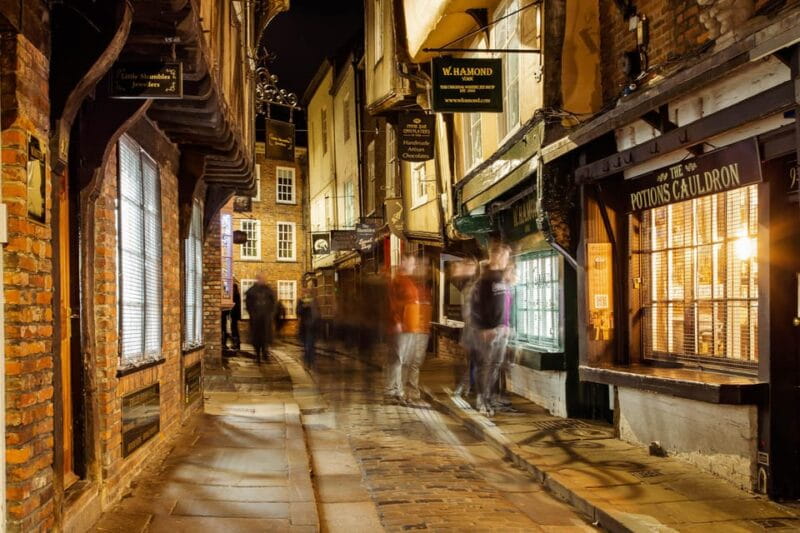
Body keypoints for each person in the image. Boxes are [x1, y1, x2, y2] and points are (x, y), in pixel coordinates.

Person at [471, 242, 512, 416]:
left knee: (494, 366)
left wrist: (508, 324)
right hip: (488, 331)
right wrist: (483, 327)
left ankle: (489, 398)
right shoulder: (484, 280)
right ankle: (482, 400)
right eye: (504, 256)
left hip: (502, 330)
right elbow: (476, 306)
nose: (506, 261)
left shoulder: (503, 278)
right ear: (495, 256)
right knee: (485, 366)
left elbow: (506, 304)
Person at [386, 253, 432, 406]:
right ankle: (399, 393)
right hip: (403, 327)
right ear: (403, 262)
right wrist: (398, 322)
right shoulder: (397, 281)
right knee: (401, 360)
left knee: (404, 361)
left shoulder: (410, 281)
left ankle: (398, 391)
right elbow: (392, 303)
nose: (414, 266)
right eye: (412, 263)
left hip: (411, 326)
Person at [245, 274, 277, 363]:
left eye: (263, 279)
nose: (262, 280)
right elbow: (248, 305)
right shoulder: (252, 291)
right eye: (260, 279)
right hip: (255, 320)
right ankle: (258, 356)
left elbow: (273, 304)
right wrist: (252, 314)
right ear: (257, 280)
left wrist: (270, 314)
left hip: (266, 320)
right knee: (256, 339)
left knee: (265, 338)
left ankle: (265, 354)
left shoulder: (268, 291)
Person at [296, 288, 320, 369]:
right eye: (304, 292)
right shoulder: (301, 301)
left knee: (310, 344)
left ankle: (310, 361)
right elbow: (298, 312)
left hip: (313, 326)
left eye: (307, 292)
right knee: (307, 344)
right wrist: (304, 307)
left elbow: (317, 312)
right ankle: (309, 361)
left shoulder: (314, 301)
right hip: (305, 326)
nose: (306, 294)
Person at [224, 279, 241, 351]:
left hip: (234, 315)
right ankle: (236, 344)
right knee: (234, 329)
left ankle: (236, 344)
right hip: (234, 315)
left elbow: (234, 306)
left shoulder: (235, 295)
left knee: (234, 329)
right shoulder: (236, 295)